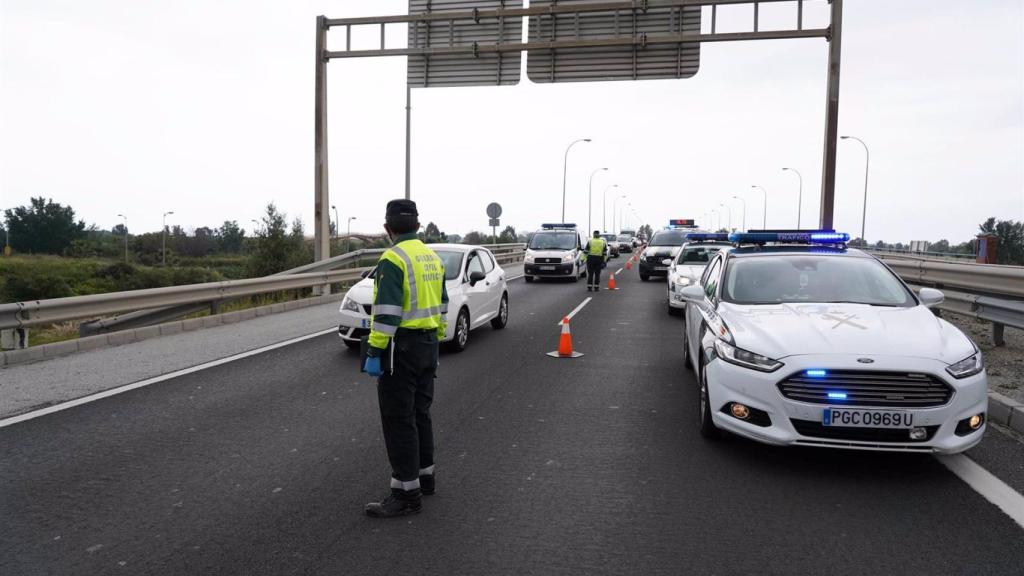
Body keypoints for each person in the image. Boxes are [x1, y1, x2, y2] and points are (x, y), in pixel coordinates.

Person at [362, 199, 449, 518]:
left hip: (401, 349)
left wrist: (374, 351)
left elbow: (385, 315)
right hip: (427, 345)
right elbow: (442, 305)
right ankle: (426, 478)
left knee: (399, 420)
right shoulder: (432, 257)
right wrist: (435, 340)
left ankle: (406, 494)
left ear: (388, 229)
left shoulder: (392, 259)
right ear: (418, 225)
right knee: (420, 413)